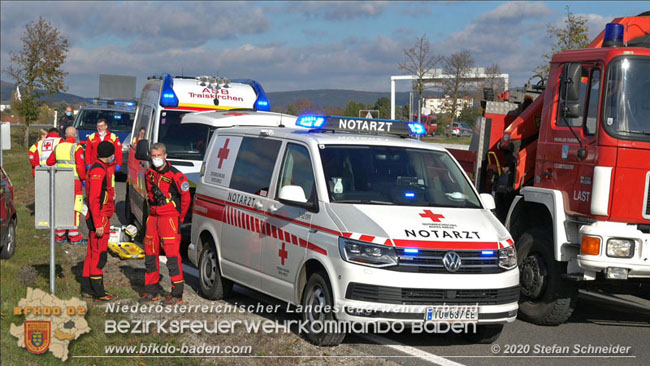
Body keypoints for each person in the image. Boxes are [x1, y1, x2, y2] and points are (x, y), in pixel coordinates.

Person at [140, 142, 190, 305]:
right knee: (150, 253)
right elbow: (148, 193)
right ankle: (151, 290)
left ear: (165, 156)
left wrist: (179, 218)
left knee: (172, 256)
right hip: (153, 217)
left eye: (159, 156)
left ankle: (177, 294)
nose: (156, 159)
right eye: (153, 156)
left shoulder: (177, 175)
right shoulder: (149, 174)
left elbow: (186, 199)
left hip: (169, 218)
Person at [81, 141, 117, 301]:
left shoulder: (98, 168)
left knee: (92, 253)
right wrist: (98, 224)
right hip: (100, 217)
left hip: (99, 216)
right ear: (109, 155)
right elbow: (95, 198)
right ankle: (99, 292)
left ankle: (88, 287)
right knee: (99, 254)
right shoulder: (99, 171)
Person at [46, 126, 87, 245]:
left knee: (61, 207)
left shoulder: (58, 147)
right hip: (74, 182)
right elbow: (80, 166)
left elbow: (49, 162)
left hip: (60, 181)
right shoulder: (76, 147)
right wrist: (84, 178)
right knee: (75, 207)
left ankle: (60, 234)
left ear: (65, 135)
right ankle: (74, 236)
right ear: (74, 135)